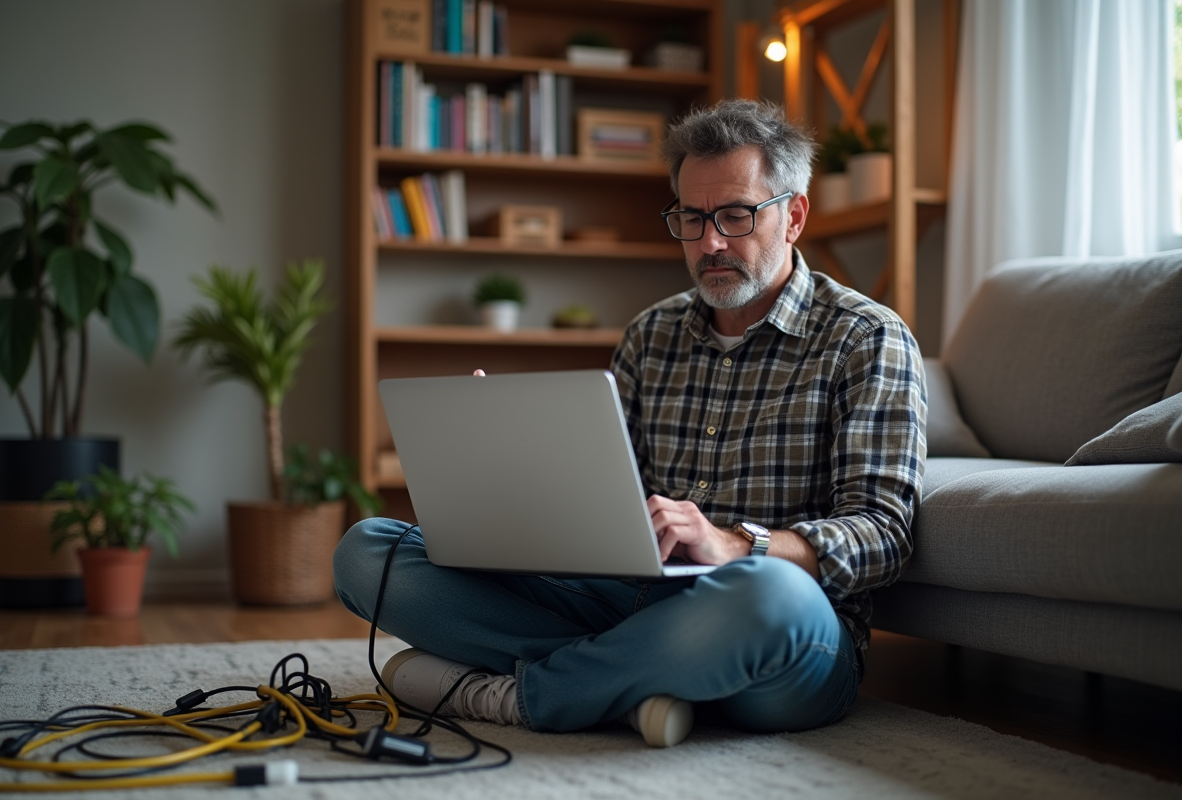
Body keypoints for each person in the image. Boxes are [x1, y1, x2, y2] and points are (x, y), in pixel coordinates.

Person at [333, 99, 926, 748]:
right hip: (629, 604)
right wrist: (513, 471)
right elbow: (610, 505)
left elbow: (883, 535)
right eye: (691, 219)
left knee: (768, 596)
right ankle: (636, 684)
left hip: (771, 628)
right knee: (367, 553)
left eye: (734, 215)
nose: (710, 244)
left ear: (794, 217)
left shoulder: (868, 337)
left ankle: (523, 695)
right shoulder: (651, 335)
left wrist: (735, 545)